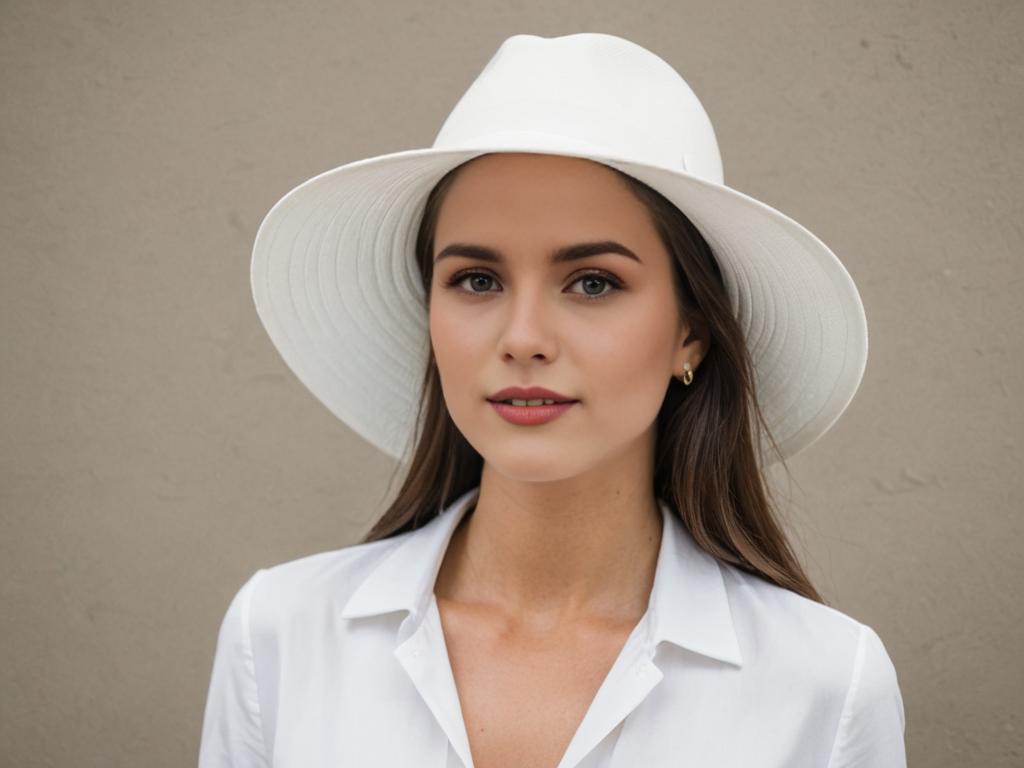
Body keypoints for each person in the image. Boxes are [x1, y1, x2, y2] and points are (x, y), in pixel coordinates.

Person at [198, 33, 907, 767]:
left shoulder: (825, 686)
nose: (523, 338)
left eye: (592, 282)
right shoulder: (280, 636)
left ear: (690, 334)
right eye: (476, 280)